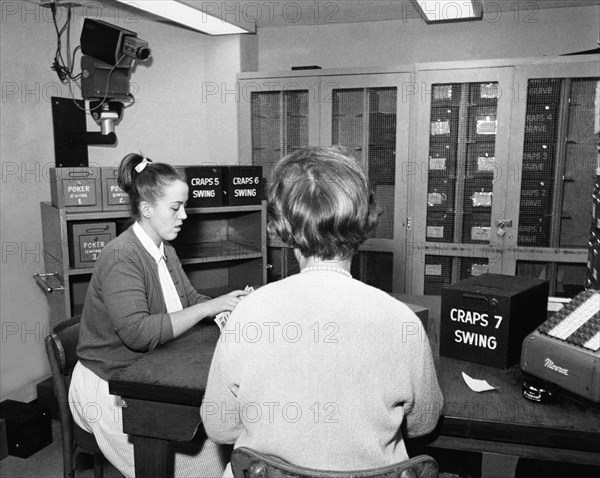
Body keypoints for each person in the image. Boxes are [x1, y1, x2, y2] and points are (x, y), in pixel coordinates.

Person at [200, 146, 443, 475]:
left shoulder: (247, 313)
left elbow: (219, 427)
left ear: (282, 225)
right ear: (364, 218)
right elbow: (424, 423)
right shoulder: (401, 319)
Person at [69, 153, 249, 478]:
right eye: (176, 207)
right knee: (196, 467)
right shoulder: (121, 257)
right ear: (147, 209)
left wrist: (227, 305)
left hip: (150, 372)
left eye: (185, 205)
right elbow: (138, 333)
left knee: (218, 447)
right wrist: (208, 307)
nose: (185, 215)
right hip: (107, 384)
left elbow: (189, 300)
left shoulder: (166, 249)